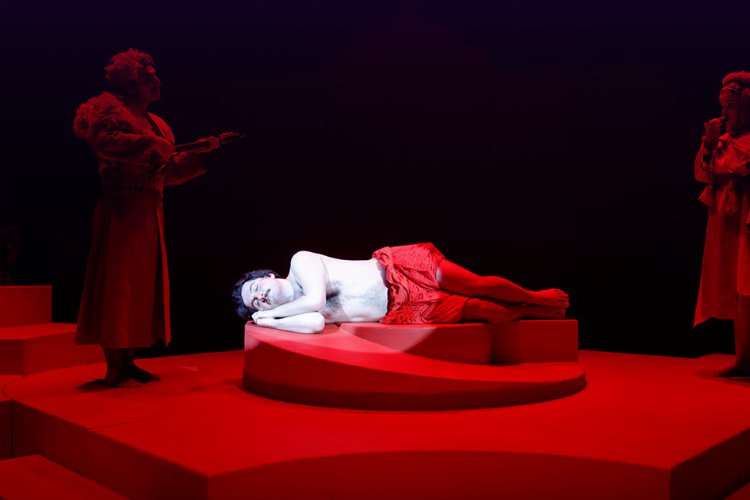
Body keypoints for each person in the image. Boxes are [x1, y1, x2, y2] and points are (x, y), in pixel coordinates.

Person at [73, 49, 222, 387]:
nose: (157, 82)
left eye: (155, 76)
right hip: (121, 211)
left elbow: (163, 174)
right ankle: (114, 366)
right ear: (130, 83)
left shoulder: (156, 123)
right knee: (118, 286)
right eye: (147, 78)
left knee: (140, 289)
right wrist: (157, 148)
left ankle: (128, 361)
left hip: (148, 210)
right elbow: (106, 142)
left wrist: (197, 155)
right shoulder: (109, 111)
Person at [232, 242, 569, 334]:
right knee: (478, 310)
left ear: (269, 275)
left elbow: (315, 300)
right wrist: (270, 321)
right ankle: (534, 313)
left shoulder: (300, 262)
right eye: (256, 302)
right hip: (400, 308)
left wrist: (270, 314)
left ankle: (534, 297)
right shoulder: (295, 313)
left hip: (398, 269)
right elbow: (315, 322)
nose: (261, 296)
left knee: (475, 284)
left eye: (257, 287)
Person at [694, 71, 750, 377]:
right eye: (723, 106)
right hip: (729, 224)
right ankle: (744, 359)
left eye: (731, 106)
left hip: (746, 221)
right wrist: (710, 145)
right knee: (740, 293)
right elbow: (703, 174)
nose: (724, 112)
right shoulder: (723, 142)